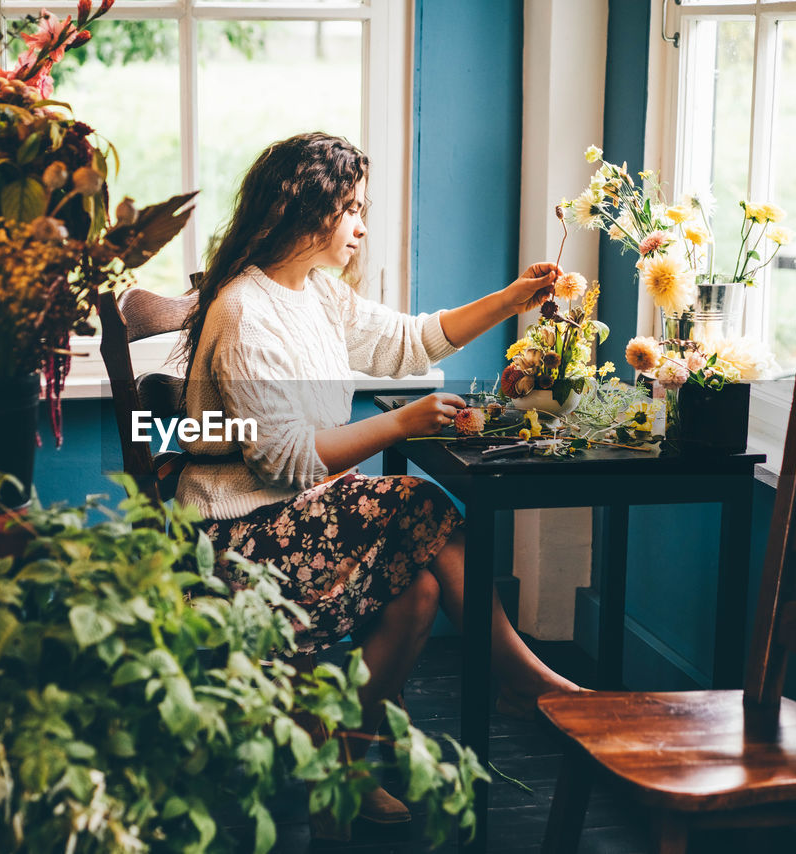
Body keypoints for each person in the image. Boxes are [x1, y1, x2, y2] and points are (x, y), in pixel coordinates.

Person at [176, 132, 581, 828]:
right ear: (307, 209)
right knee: (420, 499)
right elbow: (284, 460)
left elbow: (410, 339)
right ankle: (524, 679)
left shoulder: (315, 295)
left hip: (291, 522)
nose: (362, 225)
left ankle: (341, 766)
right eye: (352, 208)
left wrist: (512, 298)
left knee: (421, 588)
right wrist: (401, 425)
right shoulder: (245, 313)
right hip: (232, 541)